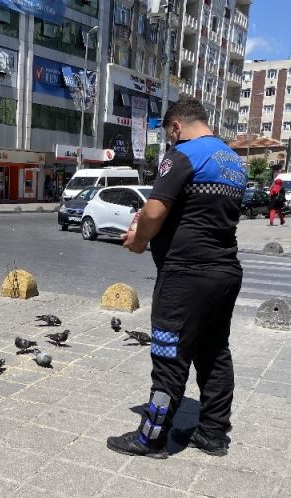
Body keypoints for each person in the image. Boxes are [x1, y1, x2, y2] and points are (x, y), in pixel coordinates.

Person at [106, 96, 246, 459]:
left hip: (186, 275)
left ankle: (151, 438)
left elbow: (154, 210)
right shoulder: (233, 160)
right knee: (214, 352)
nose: (170, 142)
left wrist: (138, 240)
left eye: (170, 136)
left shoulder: (183, 154)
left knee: (169, 355)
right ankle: (213, 434)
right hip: (224, 271)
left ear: (176, 127)